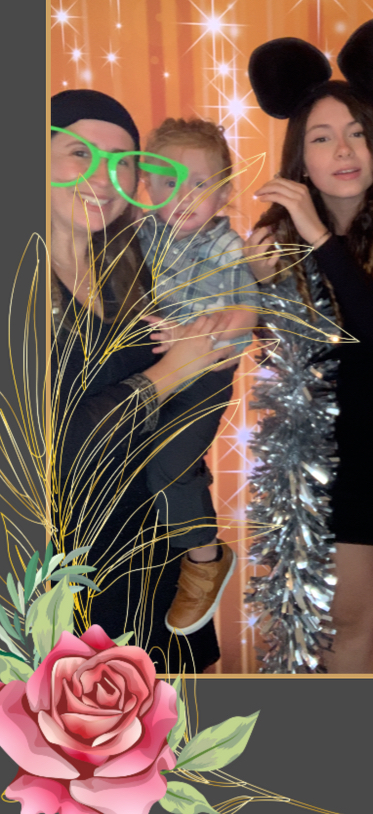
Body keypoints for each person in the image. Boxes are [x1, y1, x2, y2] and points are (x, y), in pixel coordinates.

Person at [243, 19, 373, 673]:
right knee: (346, 629)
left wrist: (322, 240)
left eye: (357, 132)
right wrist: (263, 295)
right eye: (322, 137)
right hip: (335, 471)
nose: (344, 150)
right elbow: (282, 374)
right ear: (301, 159)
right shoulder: (278, 242)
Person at [48, 90, 241, 671]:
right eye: (79, 153)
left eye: (123, 162)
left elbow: (226, 305)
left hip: (157, 545)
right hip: (67, 567)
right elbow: (56, 443)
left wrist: (235, 322)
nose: (103, 177)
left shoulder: (138, 259)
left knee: (181, 716)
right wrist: (168, 373)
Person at [136, 117, 257, 635]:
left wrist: (201, 338)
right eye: (168, 181)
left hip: (206, 374)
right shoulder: (140, 232)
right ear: (146, 185)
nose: (183, 196)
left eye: (200, 183)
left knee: (168, 465)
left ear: (224, 193)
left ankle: (206, 560)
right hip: (153, 371)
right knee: (148, 462)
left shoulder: (225, 246)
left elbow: (245, 312)